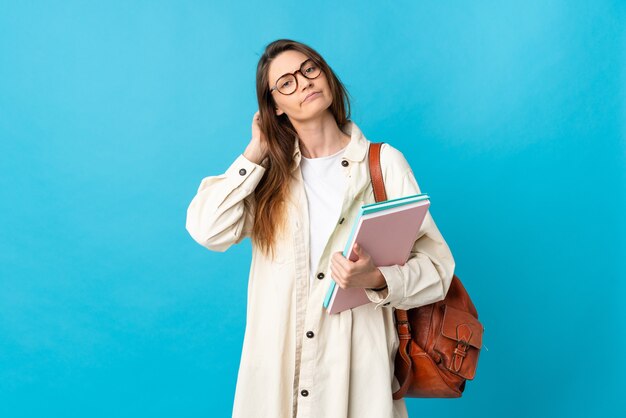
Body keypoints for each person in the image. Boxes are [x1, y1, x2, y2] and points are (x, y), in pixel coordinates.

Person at [185, 39, 455, 418]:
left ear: (325, 74)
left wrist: (376, 278)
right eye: (287, 82)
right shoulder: (268, 177)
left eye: (309, 69)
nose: (304, 82)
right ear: (274, 106)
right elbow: (206, 229)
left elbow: (438, 271)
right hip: (277, 377)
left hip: (355, 375)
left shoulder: (383, 164)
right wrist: (254, 152)